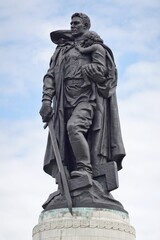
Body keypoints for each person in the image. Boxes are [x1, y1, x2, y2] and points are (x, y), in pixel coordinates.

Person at [39, 12, 125, 181]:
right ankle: (70, 181)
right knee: (66, 141)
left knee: (74, 128)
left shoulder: (96, 47)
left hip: (87, 98)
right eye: (71, 23)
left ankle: (85, 169)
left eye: (76, 23)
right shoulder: (62, 50)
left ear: (86, 26)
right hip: (64, 100)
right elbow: (50, 76)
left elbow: (107, 74)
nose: (72, 25)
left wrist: (97, 76)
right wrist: (46, 100)